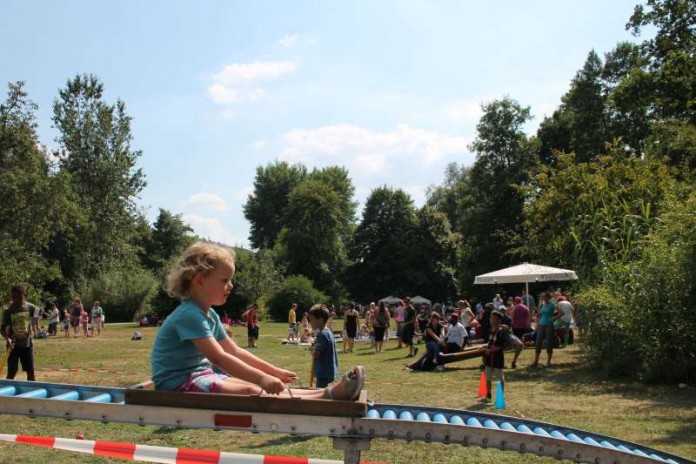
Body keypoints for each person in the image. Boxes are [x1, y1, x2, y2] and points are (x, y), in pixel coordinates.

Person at [150, 241, 365, 400]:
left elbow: (235, 351)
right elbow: (220, 358)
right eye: (225, 280)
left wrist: (274, 372)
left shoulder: (208, 314)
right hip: (177, 382)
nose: (231, 286)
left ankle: (326, 392)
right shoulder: (189, 314)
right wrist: (262, 379)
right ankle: (328, 396)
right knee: (252, 389)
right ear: (200, 281)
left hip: (197, 376)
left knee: (253, 385)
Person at [1, 284, 36, 381]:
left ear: (23, 295)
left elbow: (38, 313)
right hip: (13, 346)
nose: (15, 299)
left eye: (18, 297)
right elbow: (2, 329)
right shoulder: (8, 311)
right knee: (12, 371)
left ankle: (31, 392)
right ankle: (5, 392)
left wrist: (36, 321)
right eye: (13, 297)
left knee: (31, 371)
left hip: (27, 345)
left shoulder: (30, 307)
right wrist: (7, 338)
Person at [309, 304, 339, 388]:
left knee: (321, 394)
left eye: (311, 320)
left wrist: (312, 349)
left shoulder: (322, 334)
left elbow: (317, 354)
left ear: (320, 320)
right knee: (327, 393)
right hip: (330, 370)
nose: (310, 322)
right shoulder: (328, 331)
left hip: (323, 372)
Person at [482, 310, 508, 403]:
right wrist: (485, 347)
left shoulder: (500, 331)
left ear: (498, 320)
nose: (491, 320)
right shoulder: (491, 330)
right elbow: (491, 343)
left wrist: (490, 350)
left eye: (493, 318)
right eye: (491, 318)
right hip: (489, 359)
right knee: (487, 377)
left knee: (499, 376)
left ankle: (501, 395)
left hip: (497, 358)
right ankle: (488, 395)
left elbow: (501, 345)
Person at [531, 291, 562, 367]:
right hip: (541, 325)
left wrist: (554, 318)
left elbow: (561, 312)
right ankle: (536, 361)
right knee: (538, 342)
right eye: (541, 296)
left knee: (548, 343)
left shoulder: (552, 304)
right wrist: (537, 324)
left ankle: (548, 362)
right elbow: (539, 315)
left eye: (543, 296)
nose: (541, 297)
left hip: (549, 325)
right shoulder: (541, 305)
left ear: (547, 297)